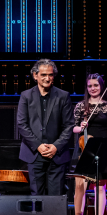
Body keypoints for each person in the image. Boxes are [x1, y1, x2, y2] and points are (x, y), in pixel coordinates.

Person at [17, 58, 75, 196]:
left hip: (57, 154)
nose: (47, 78)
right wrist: (38, 145)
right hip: (34, 154)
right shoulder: (26, 96)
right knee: (36, 197)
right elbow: (22, 124)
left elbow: (69, 125)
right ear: (35, 76)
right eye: (43, 75)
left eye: (50, 75)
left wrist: (55, 146)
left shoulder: (63, 96)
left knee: (56, 199)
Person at [72, 73, 107, 215]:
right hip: (84, 147)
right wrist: (81, 127)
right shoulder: (80, 106)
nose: (93, 88)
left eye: (96, 85)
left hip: (102, 147)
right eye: (90, 86)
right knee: (80, 187)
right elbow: (73, 128)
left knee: (100, 187)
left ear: (101, 86)